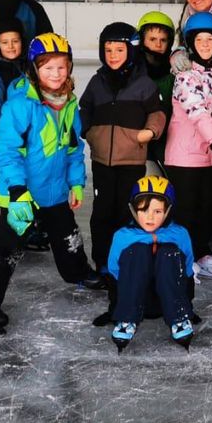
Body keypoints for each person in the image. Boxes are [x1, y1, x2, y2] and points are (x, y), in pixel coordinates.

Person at [0, 34, 91, 336]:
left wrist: (76, 183)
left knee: (68, 235)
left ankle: (79, 273)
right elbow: (6, 152)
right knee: (7, 250)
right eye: (47, 68)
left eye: (61, 67)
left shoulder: (69, 104)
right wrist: (17, 190)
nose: (55, 74)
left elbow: (73, 148)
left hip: (54, 190)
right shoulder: (19, 106)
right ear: (34, 70)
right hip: (21, 195)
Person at [79, 22, 167, 280]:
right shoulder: (97, 82)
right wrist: (88, 131)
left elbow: (158, 113)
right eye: (108, 50)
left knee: (126, 211)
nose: (113, 56)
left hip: (132, 160)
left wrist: (150, 132)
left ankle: (126, 259)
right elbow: (84, 109)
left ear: (132, 51)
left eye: (119, 50)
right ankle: (103, 261)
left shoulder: (144, 84)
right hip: (102, 161)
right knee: (102, 212)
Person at [164, 11, 212, 277]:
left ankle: (200, 250)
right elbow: (198, 111)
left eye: (209, 40)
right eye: (199, 40)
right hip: (185, 156)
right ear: (190, 44)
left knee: (205, 207)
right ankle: (181, 255)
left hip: (210, 155)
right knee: (186, 209)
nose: (204, 45)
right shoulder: (186, 77)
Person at [107, 176, 197, 352]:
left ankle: (179, 317)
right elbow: (114, 271)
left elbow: (187, 270)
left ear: (168, 211)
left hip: (169, 301)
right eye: (144, 210)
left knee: (168, 251)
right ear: (133, 210)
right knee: (138, 251)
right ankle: (127, 319)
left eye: (157, 211)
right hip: (134, 298)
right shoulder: (123, 236)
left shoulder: (180, 234)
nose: (150, 217)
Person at [136, 10, 177, 171]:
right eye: (152, 39)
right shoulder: (133, 71)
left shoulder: (174, 71)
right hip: (140, 143)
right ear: (142, 40)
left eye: (163, 40)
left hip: (168, 141)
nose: (158, 45)